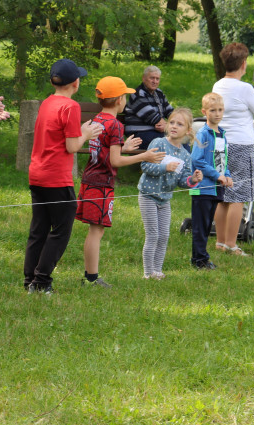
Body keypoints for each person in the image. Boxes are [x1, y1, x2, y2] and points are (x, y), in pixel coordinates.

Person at [76, 76, 165, 288]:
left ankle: (91, 275)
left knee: (95, 230)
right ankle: (91, 278)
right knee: (96, 231)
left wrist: (123, 148)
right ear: (119, 101)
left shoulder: (98, 119)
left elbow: (104, 150)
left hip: (89, 179)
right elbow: (115, 161)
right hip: (101, 183)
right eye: (124, 95)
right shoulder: (115, 124)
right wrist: (144, 156)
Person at [24, 59, 103, 295]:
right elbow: (71, 146)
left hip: (37, 174)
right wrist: (86, 133)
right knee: (60, 230)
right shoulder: (71, 107)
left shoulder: (47, 103)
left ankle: (30, 280)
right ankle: (41, 281)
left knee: (38, 230)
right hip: (56, 177)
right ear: (75, 83)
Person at [212, 42, 254, 257]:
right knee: (237, 196)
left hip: (221, 143)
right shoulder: (244, 88)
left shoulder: (218, 85)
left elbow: (239, 102)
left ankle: (220, 242)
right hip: (241, 146)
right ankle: (231, 243)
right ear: (244, 64)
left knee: (222, 195)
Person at [137, 108, 203, 279]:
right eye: (172, 122)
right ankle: (147, 273)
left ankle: (157, 271)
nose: (174, 126)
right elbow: (145, 166)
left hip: (165, 199)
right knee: (153, 235)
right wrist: (164, 167)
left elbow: (183, 181)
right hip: (148, 195)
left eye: (179, 124)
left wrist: (193, 180)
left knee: (164, 235)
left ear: (188, 131)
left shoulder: (185, 155)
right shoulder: (158, 143)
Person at [189, 92, 233, 270]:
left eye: (220, 110)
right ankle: (199, 260)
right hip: (203, 188)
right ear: (204, 111)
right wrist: (217, 175)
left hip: (216, 187)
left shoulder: (222, 134)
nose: (217, 114)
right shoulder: (203, 133)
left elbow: (223, 159)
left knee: (208, 225)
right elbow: (197, 160)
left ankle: (202, 258)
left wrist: (227, 175)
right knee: (200, 226)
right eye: (213, 110)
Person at [123, 65, 174, 149]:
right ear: (143, 78)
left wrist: (174, 122)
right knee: (171, 140)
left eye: (157, 79)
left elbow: (170, 111)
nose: (155, 81)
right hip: (139, 135)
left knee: (181, 137)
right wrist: (168, 126)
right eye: (152, 78)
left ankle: (185, 162)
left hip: (154, 133)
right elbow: (153, 118)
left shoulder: (159, 93)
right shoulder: (138, 94)